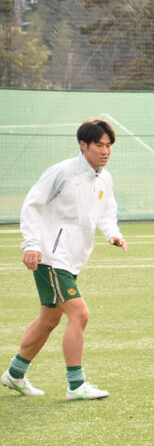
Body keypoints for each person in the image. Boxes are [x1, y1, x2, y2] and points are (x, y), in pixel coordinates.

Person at [2, 118, 127, 400]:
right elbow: (32, 205)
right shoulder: (62, 172)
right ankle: (76, 385)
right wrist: (32, 244)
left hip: (72, 259)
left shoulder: (104, 177)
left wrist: (112, 234)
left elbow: (106, 212)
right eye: (99, 145)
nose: (105, 151)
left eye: (109, 145)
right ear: (84, 145)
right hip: (50, 256)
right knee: (80, 314)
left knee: (49, 319)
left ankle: (15, 373)